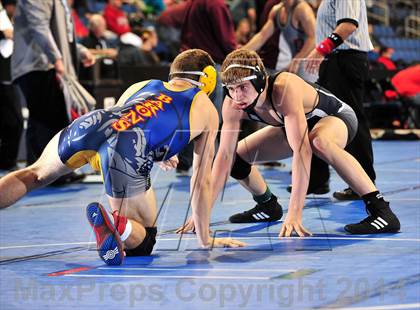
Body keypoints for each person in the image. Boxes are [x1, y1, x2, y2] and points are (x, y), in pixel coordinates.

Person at [0, 49, 245, 265]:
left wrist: (156, 152)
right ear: (209, 79)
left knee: (33, 173)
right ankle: (116, 224)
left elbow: (126, 122)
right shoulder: (206, 108)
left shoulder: (143, 84)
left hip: (93, 123)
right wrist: (205, 238)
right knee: (143, 241)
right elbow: (201, 180)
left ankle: (116, 223)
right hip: (126, 149)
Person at [179, 49, 400, 235]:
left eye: (243, 88)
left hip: (334, 118)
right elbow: (224, 158)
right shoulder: (232, 103)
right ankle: (267, 205)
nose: (237, 96)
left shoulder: (283, 88)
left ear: (260, 81)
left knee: (318, 142)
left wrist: (295, 214)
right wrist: (202, 213)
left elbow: (301, 152)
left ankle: (382, 211)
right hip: (292, 125)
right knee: (236, 156)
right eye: (231, 88)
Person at [11, 0, 95, 186]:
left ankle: (49, 173)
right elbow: (39, 26)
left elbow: (61, 34)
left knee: (51, 120)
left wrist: (79, 51)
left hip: (46, 64)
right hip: (37, 66)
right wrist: (56, 58)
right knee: (46, 121)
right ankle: (47, 175)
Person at [304, 0, 376, 200]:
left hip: (345, 60)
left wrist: (321, 49)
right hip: (335, 60)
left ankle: (364, 183)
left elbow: (348, 24)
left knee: (352, 119)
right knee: (317, 115)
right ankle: (318, 180)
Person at [244, 0, 316, 81]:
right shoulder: (276, 10)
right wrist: (241, 52)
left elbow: (314, 37)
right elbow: (262, 36)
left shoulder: (302, 9)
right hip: (295, 65)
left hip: (308, 66)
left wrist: (298, 59)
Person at [0, 0, 22, 172]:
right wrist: (2, 34)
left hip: (8, 74)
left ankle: (7, 161)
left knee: (13, 121)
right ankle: (7, 161)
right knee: (13, 120)